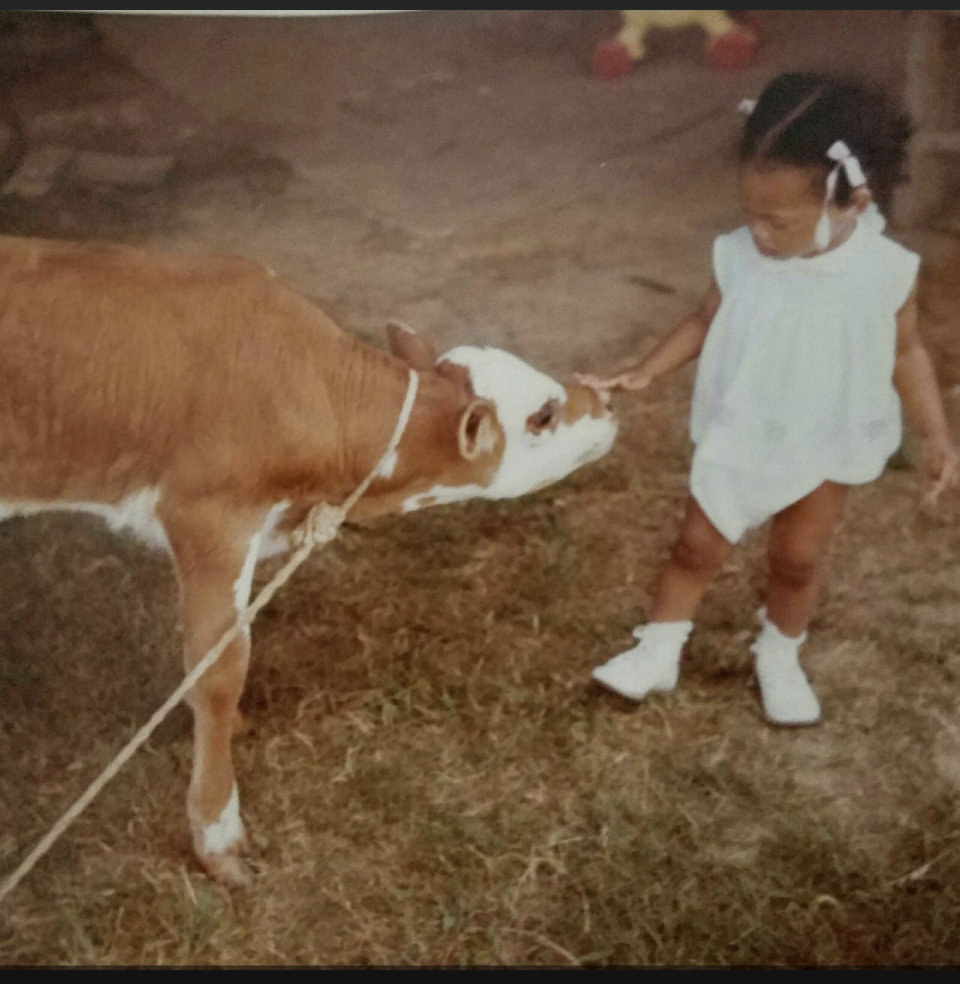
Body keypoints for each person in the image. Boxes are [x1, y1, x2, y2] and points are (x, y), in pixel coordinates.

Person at [579, 72, 959, 726]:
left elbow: (907, 353)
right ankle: (658, 650)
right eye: (749, 213)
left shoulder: (885, 273)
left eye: (776, 220)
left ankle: (780, 654)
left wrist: (935, 436)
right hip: (744, 426)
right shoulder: (741, 257)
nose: (756, 231)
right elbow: (702, 320)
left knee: (798, 558)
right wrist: (647, 371)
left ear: (850, 201)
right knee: (696, 544)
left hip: (827, 435)